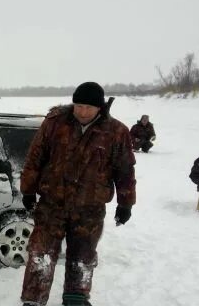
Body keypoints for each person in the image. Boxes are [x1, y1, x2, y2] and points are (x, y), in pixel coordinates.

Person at [19, 82, 137, 306]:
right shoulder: (54, 124)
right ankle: (33, 300)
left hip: (89, 208)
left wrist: (126, 203)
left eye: (88, 107)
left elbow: (125, 170)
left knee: (82, 257)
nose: (82, 112)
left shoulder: (116, 132)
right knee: (40, 253)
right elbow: (35, 158)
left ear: (100, 108)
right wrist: (28, 190)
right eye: (79, 105)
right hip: (52, 204)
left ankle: (76, 299)